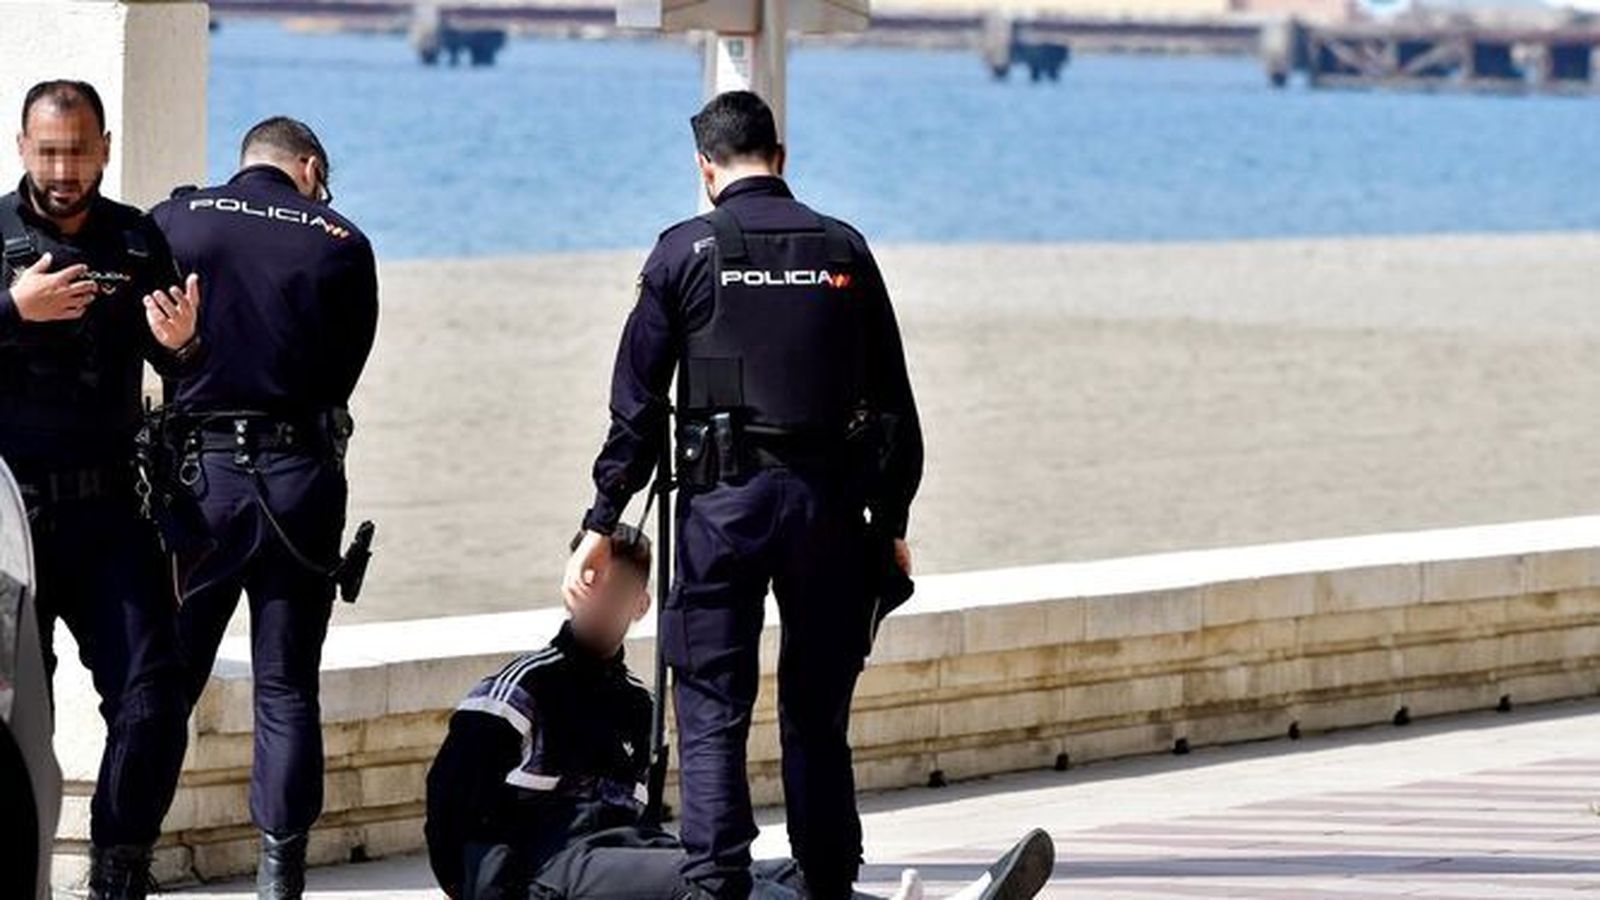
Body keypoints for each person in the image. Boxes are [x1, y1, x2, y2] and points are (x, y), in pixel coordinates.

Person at [562, 90, 924, 900]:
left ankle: (716, 883)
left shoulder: (683, 254)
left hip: (721, 509)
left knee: (712, 706)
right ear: (782, 159)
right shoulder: (845, 250)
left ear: (704, 168)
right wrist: (891, 518)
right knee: (816, 715)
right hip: (828, 510)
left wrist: (602, 518)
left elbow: (636, 405)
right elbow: (894, 404)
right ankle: (829, 883)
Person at [428, 529, 1054, 900]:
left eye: (617, 590)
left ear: (642, 603)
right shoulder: (523, 688)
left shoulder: (637, 705)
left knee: (784, 872)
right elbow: (449, 810)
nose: (602, 601)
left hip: (621, 850)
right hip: (547, 864)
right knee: (708, 883)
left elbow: (638, 820)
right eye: (592, 583)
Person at [147, 116, 379, 900]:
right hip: (298, 486)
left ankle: (126, 859)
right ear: (307, 168)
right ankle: (280, 880)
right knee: (285, 687)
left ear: (246, 163)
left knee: (167, 683)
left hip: (200, 484)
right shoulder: (341, 242)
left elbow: (145, 337)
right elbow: (344, 374)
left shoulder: (177, 219)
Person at [0, 79, 202, 899]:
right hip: (9, 517)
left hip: (111, 511)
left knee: (154, 696)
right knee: (14, 721)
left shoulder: (136, 237)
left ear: (105, 148)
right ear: (22, 147)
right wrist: (13, 309)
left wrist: (184, 349)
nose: (63, 168)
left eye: (79, 150)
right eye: (48, 150)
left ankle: (121, 866)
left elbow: (181, 367)